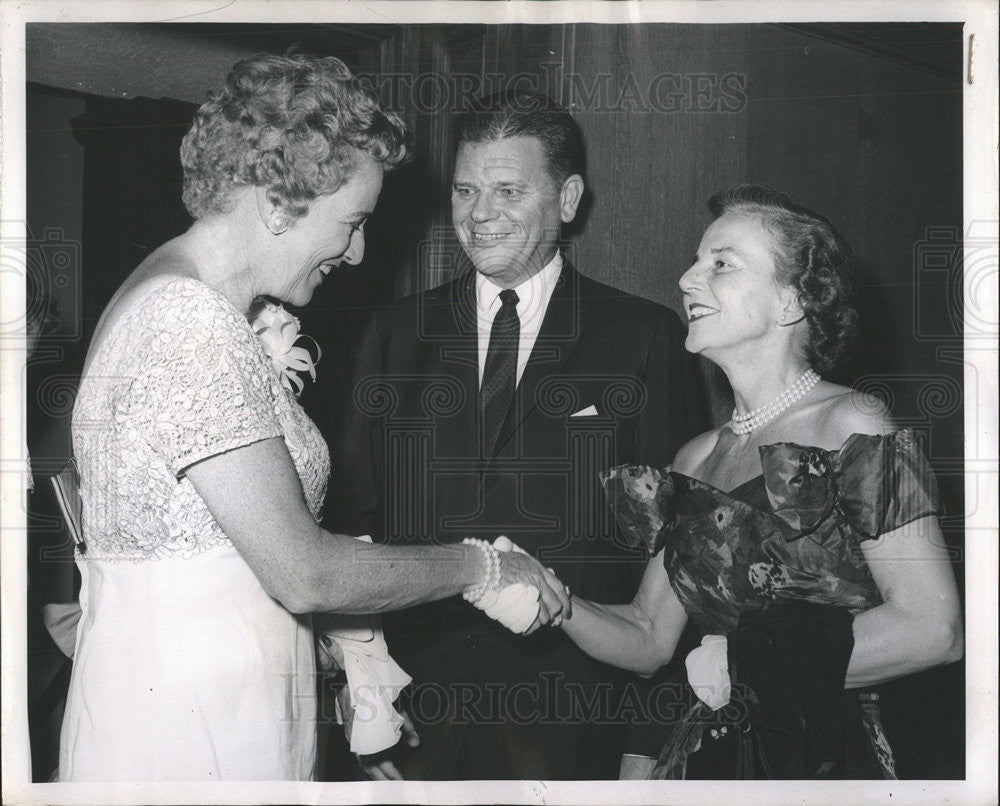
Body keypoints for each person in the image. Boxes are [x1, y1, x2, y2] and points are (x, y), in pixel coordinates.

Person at [59, 54, 570, 783]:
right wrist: (482, 564)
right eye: (352, 222)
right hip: (194, 726)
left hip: (221, 697)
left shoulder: (180, 299)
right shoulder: (188, 321)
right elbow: (304, 572)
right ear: (276, 203)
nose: (359, 254)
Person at [326, 91, 705, 780]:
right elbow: (356, 526)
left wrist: (646, 741)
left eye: (507, 190)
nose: (478, 214)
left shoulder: (642, 339)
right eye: (465, 190)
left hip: (575, 719)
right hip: (417, 717)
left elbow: (673, 554)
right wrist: (366, 697)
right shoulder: (392, 334)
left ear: (567, 199)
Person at [560, 185, 964, 779]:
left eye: (721, 264)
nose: (687, 279)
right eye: (697, 262)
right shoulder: (696, 457)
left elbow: (935, 628)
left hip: (818, 756)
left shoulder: (853, 425)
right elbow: (648, 636)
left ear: (791, 302)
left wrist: (747, 663)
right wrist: (552, 599)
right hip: (703, 760)